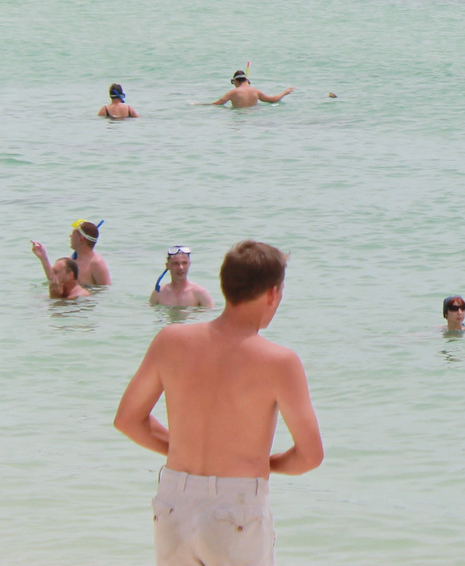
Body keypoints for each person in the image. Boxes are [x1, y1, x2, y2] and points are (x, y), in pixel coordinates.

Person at [114, 240, 324, 566]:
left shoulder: (170, 340)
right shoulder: (279, 362)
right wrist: (263, 463)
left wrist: (178, 447)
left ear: (225, 286)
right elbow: (310, 456)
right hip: (235, 507)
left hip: (174, 502)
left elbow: (128, 420)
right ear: (272, 294)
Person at [40, 219, 113, 287]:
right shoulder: (73, 258)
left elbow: (104, 291)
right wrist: (43, 257)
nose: (70, 236)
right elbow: (55, 281)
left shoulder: (96, 263)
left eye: (73, 234)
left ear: (81, 239)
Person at [200, 71, 293, 109]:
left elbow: (218, 104)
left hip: (239, 118)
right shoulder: (256, 91)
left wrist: (199, 104)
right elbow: (273, 100)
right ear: (247, 80)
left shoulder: (232, 93)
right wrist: (285, 92)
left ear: (235, 81)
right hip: (254, 117)